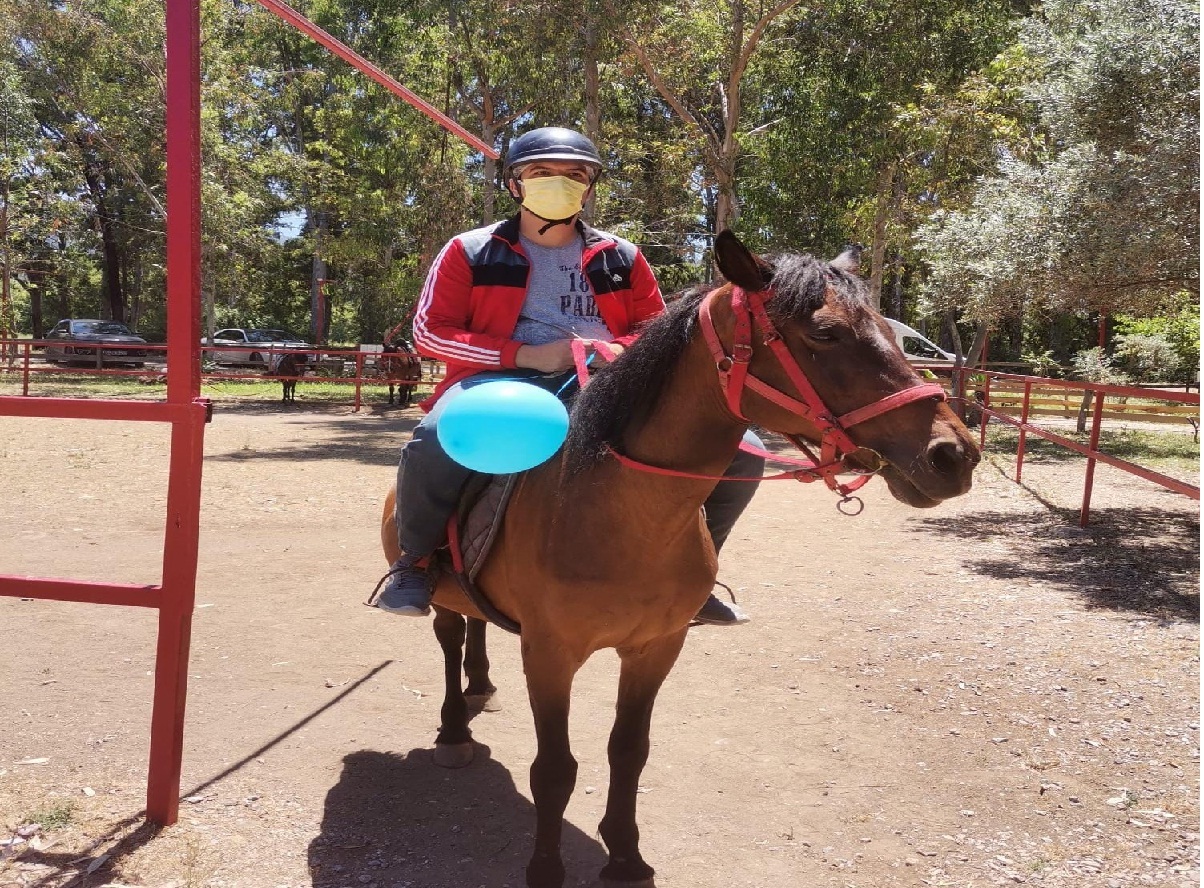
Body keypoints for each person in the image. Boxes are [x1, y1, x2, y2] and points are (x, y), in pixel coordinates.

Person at [375, 126, 764, 625]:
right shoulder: (471, 250)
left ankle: (695, 572)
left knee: (743, 451)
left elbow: (656, 333)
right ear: (515, 184)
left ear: (589, 186)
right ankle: (415, 563)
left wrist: (613, 350)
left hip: (607, 379)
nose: (558, 182)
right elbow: (430, 333)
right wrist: (526, 355)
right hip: (498, 383)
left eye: (574, 175)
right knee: (433, 438)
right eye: (541, 173)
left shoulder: (621, 257)